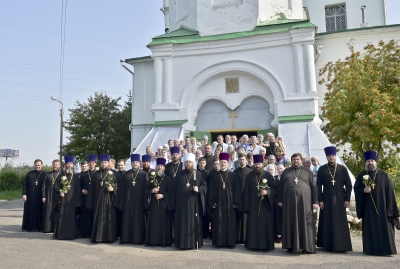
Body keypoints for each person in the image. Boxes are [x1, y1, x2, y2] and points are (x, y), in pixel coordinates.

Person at [354, 151, 399, 256]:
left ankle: (387, 250)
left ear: (376, 162)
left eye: (372, 161)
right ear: (366, 162)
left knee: (385, 229)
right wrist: (363, 190)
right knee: (370, 229)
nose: (370, 163)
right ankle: (371, 250)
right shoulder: (362, 175)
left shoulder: (383, 174)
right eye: (368, 161)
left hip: (383, 208)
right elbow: (356, 189)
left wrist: (389, 210)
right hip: (368, 210)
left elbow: (390, 192)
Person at [278, 153, 318, 254]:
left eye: (298, 159)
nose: (296, 161)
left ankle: (306, 247)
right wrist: (280, 200)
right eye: (294, 159)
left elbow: (314, 188)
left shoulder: (307, 172)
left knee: (304, 223)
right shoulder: (286, 172)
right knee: (290, 222)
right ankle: (290, 246)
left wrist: (315, 202)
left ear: (301, 160)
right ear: (291, 161)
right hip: (289, 202)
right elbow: (280, 187)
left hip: (304, 202)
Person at [317, 146, 352, 253]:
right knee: (327, 220)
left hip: (340, 198)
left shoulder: (342, 169)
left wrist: (347, 199)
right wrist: (320, 200)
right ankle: (328, 245)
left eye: (333, 156)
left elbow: (349, 185)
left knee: (339, 221)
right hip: (326, 197)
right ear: (326, 157)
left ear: (335, 156)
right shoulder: (322, 169)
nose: (331, 157)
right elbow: (318, 186)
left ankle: (342, 245)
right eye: (329, 156)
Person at [172, 153, 207, 249]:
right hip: (181, 205)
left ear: (193, 163)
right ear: (184, 163)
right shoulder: (178, 175)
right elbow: (173, 190)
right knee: (182, 223)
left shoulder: (199, 175)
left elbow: (205, 187)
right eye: (186, 162)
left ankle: (193, 244)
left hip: (194, 205)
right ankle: (181, 243)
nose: (188, 163)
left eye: (190, 162)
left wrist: (199, 190)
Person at [243, 154, 276, 251]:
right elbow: (246, 191)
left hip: (265, 206)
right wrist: (247, 205)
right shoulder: (249, 176)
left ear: (262, 164)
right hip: (253, 206)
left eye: (259, 164)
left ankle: (266, 246)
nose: (257, 166)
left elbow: (274, 189)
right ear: (253, 164)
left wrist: (267, 192)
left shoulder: (268, 175)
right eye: (256, 164)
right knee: (253, 225)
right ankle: (252, 245)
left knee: (265, 226)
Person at [208, 153, 241, 249]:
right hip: (218, 203)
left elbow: (236, 190)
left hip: (230, 203)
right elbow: (211, 190)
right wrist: (212, 202)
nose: (223, 164)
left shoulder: (233, 175)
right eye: (221, 162)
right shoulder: (214, 175)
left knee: (230, 222)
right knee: (219, 222)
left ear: (228, 163)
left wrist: (236, 202)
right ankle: (219, 243)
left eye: (224, 162)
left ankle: (230, 243)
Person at [115, 154, 149, 245]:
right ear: (131, 163)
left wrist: (145, 203)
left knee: (138, 220)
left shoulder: (144, 174)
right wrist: (121, 203)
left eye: (136, 162)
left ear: (139, 163)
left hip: (139, 202)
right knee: (126, 219)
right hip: (128, 202)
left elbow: (146, 190)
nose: (135, 164)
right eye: (133, 162)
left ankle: (138, 239)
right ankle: (125, 239)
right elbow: (121, 189)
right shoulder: (126, 174)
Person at [86, 154, 118, 243]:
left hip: (109, 201)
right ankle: (98, 237)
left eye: (105, 162)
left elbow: (119, 187)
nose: (103, 164)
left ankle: (110, 238)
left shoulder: (114, 174)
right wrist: (90, 202)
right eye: (102, 162)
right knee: (98, 218)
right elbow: (91, 189)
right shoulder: (96, 174)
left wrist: (113, 189)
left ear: (108, 163)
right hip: (98, 201)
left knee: (109, 218)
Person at [145, 158, 174, 247]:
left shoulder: (168, 180)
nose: (160, 168)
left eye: (162, 166)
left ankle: (164, 242)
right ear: (156, 167)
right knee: (153, 222)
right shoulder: (152, 178)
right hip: (153, 205)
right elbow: (146, 190)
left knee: (163, 223)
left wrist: (163, 195)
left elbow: (171, 194)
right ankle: (152, 241)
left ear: (164, 168)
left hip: (163, 206)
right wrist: (151, 190)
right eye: (159, 166)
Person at [53, 155, 81, 240]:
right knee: (61, 216)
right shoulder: (60, 175)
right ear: (65, 164)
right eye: (68, 163)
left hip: (71, 201)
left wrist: (77, 202)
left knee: (70, 218)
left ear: (73, 165)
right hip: (62, 199)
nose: (69, 165)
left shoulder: (76, 176)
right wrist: (60, 192)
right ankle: (60, 235)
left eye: (71, 163)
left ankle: (70, 235)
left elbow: (78, 189)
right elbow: (55, 187)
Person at [22, 159, 47, 232]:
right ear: (34, 165)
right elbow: (25, 185)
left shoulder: (45, 174)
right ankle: (29, 227)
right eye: (36, 165)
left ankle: (38, 227)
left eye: (39, 165)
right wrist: (24, 194)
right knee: (30, 210)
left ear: (41, 165)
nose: (37, 166)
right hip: (30, 196)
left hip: (40, 195)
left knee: (39, 211)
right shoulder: (29, 174)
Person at [233, 152, 253, 244]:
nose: (242, 161)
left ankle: (245, 238)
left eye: (243, 159)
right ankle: (237, 237)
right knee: (237, 219)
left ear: (246, 160)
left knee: (246, 219)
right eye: (240, 159)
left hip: (247, 198)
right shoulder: (234, 173)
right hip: (237, 199)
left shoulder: (250, 172)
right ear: (238, 160)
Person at [78, 154, 97, 238]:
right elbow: (79, 185)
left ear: (95, 163)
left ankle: (91, 233)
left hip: (94, 198)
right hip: (85, 197)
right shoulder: (84, 174)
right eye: (90, 162)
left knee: (92, 215)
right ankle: (83, 233)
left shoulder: (97, 174)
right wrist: (82, 190)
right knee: (84, 215)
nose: (91, 164)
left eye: (93, 162)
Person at [41, 159, 62, 233]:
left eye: (56, 164)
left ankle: (55, 228)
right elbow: (43, 186)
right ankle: (47, 228)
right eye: (54, 164)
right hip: (48, 194)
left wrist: (62, 192)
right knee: (48, 211)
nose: (55, 166)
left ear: (59, 165)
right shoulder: (47, 174)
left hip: (58, 195)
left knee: (56, 211)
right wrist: (43, 196)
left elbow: (64, 185)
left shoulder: (62, 174)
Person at [198, 157, 211, 239]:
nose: (202, 164)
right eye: (200, 163)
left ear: (205, 164)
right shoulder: (195, 172)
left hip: (205, 196)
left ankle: (205, 233)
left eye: (203, 163)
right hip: (197, 196)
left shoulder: (208, 173)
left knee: (205, 215)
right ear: (198, 163)